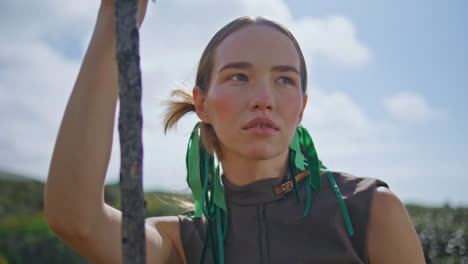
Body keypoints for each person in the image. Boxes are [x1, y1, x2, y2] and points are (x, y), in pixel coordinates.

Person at [44, 0, 426, 263]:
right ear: (202, 103)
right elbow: (76, 219)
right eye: (239, 76)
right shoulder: (184, 243)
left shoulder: (370, 210)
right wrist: (113, 19)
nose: (264, 99)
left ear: (302, 108)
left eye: (284, 80)